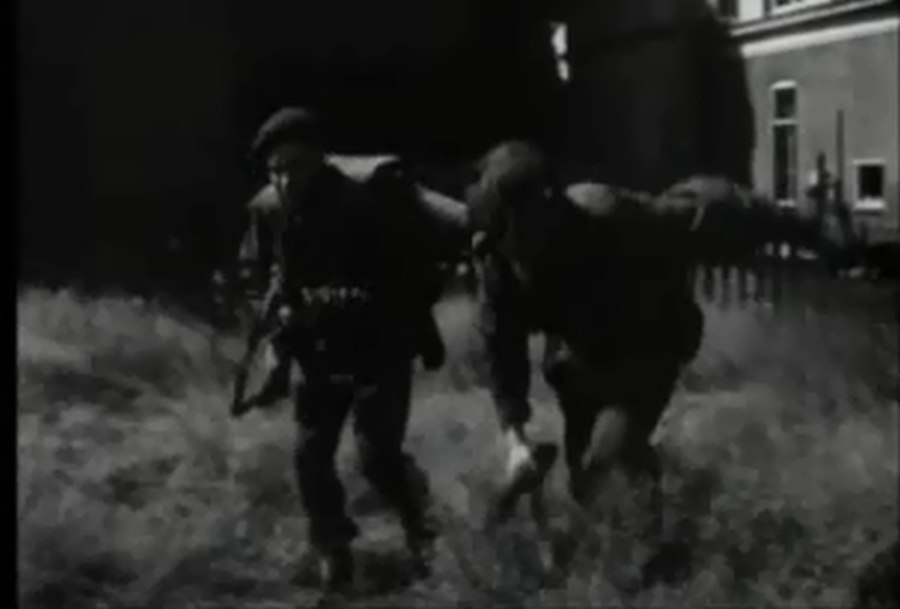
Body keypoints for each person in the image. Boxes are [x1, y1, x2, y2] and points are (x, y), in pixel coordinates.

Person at [467, 139, 760, 579]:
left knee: (608, 460)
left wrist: (808, 226)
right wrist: (515, 439)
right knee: (584, 481)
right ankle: (651, 521)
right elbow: (501, 346)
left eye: (520, 231)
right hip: (578, 357)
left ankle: (647, 561)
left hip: (649, 343)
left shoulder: (611, 217)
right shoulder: (498, 255)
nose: (515, 249)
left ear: (547, 212)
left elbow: (703, 207)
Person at [233, 106, 468, 592]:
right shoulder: (269, 211)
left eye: (295, 166)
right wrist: (278, 327)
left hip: (379, 344)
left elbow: (408, 278)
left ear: (320, 159)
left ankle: (422, 528)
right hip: (316, 350)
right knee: (310, 456)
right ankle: (333, 553)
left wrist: (338, 302)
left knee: (376, 455)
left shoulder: (364, 203)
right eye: (275, 170)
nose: (284, 180)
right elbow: (255, 276)